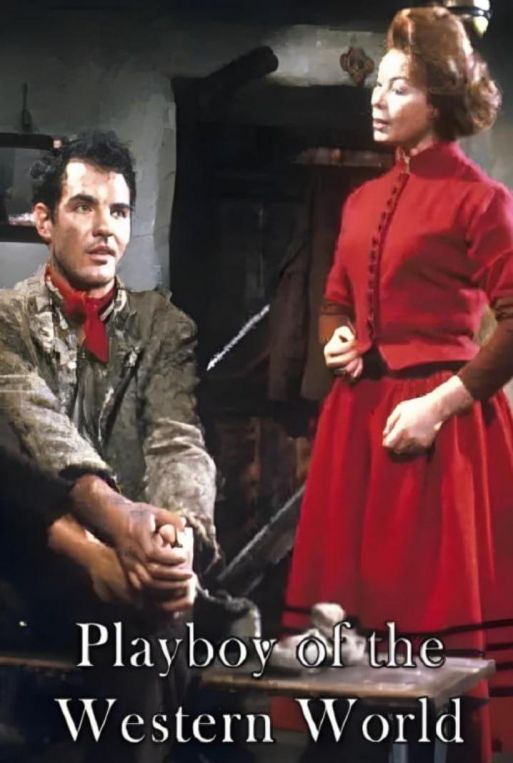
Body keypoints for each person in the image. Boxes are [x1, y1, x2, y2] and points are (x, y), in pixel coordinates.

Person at [281, 8, 513, 763]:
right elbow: (335, 300)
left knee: (429, 645)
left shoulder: (480, 199)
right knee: (349, 640)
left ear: (439, 99)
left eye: (399, 87)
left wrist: (438, 406)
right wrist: (336, 339)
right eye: (376, 86)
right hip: (357, 427)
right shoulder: (359, 200)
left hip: (438, 430)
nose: (378, 100)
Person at [0, 130, 218, 762]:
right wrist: (119, 524)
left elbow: (176, 438)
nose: (105, 228)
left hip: (132, 566)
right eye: (84, 206)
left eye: (119, 211)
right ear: (44, 221)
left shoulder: (162, 326)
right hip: (30, 554)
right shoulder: (7, 321)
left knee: (151, 616)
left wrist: (178, 537)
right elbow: (39, 429)